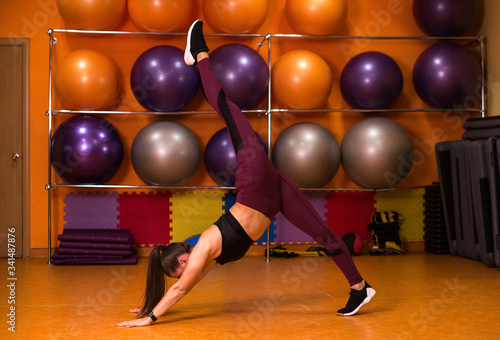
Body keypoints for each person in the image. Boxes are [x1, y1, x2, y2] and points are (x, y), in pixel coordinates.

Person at [118, 20, 375, 328]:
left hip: (254, 181)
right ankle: (360, 288)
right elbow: (187, 287)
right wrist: (151, 306)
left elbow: (181, 287)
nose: (186, 275)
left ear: (185, 261)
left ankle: (200, 52)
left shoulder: (202, 249)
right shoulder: (208, 260)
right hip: (274, 193)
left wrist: (150, 318)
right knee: (321, 232)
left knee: (227, 108)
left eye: (181, 270)